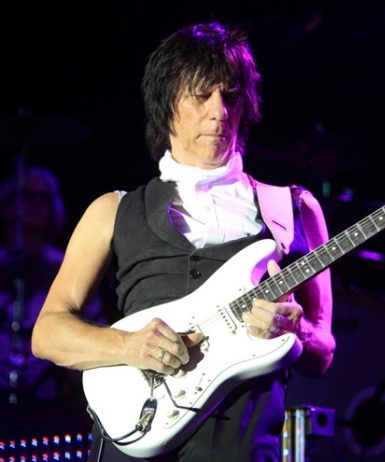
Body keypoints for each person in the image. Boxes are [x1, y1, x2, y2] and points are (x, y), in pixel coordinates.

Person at [31, 22, 335, 461]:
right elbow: (47, 334)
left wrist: (295, 329)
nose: (219, 111)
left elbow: (323, 352)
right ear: (166, 103)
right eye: (200, 95)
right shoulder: (112, 210)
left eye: (230, 96)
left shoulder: (293, 208)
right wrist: (127, 346)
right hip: (134, 435)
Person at [0, 166, 104, 434]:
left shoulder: (69, 268)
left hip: (53, 401)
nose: (32, 205)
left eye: (42, 198)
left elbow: (93, 328)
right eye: (25, 196)